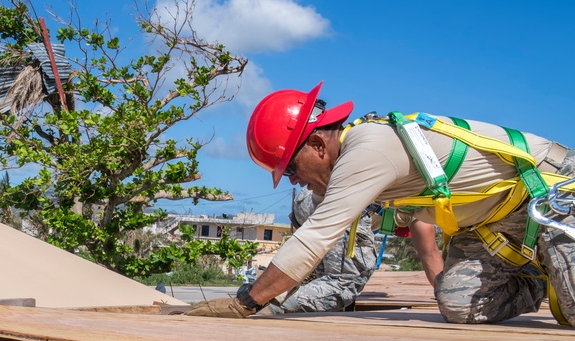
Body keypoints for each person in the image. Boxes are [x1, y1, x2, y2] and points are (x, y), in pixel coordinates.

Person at [187, 81, 575, 325]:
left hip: (553, 196)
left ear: (319, 144)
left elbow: (316, 237)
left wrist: (247, 302)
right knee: (458, 303)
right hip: (496, 224)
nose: (293, 180)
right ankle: (539, 275)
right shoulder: (364, 163)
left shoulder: (367, 150)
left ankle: (560, 266)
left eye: (290, 168)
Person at [259, 188, 377, 314]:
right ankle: (272, 308)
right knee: (343, 281)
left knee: (320, 279)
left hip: (313, 197)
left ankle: (265, 299)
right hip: (340, 203)